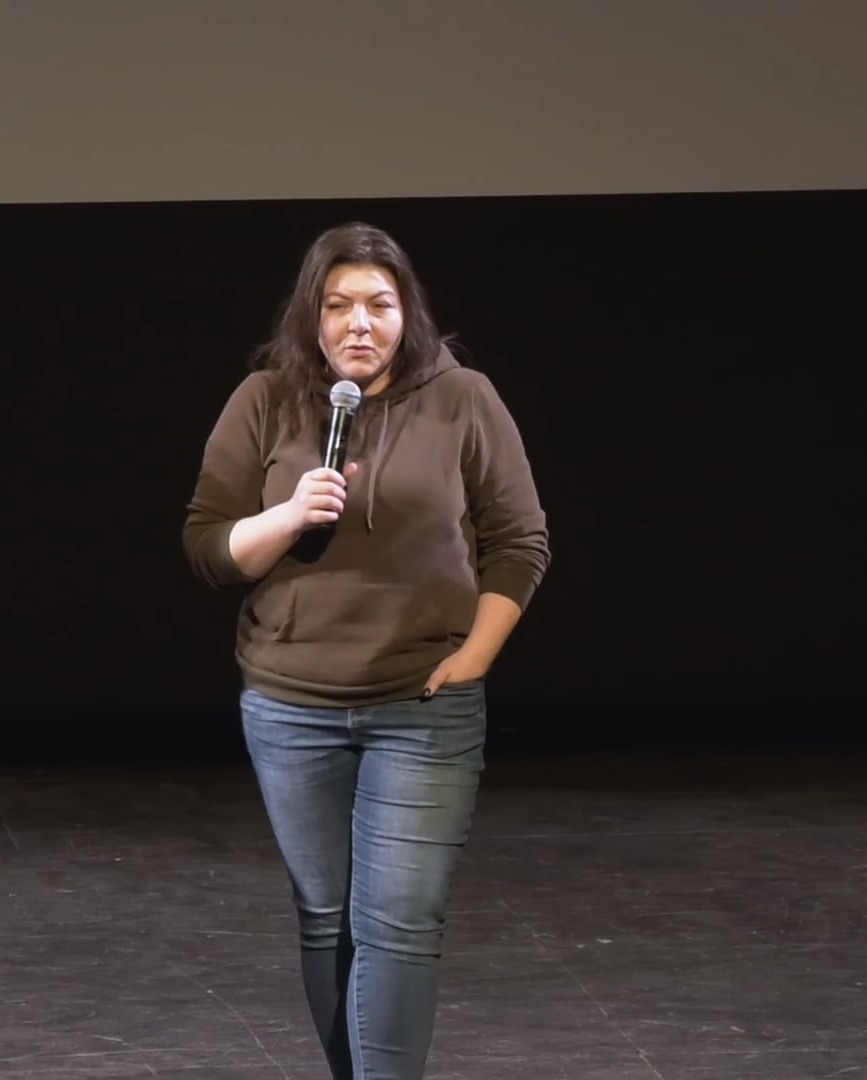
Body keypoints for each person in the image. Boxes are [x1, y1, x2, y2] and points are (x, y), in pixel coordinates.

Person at [183, 222, 550, 1079]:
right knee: (328, 916)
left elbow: (520, 540)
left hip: (421, 704)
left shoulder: (464, 398)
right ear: (310, 316)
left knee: (399, 921)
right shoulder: (265, 400)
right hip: (289, 706)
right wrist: (286, 515)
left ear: (407, 312)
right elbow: (206, 546)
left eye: (379, 305)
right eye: (338, 305)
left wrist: (478, 654)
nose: (359, 323)